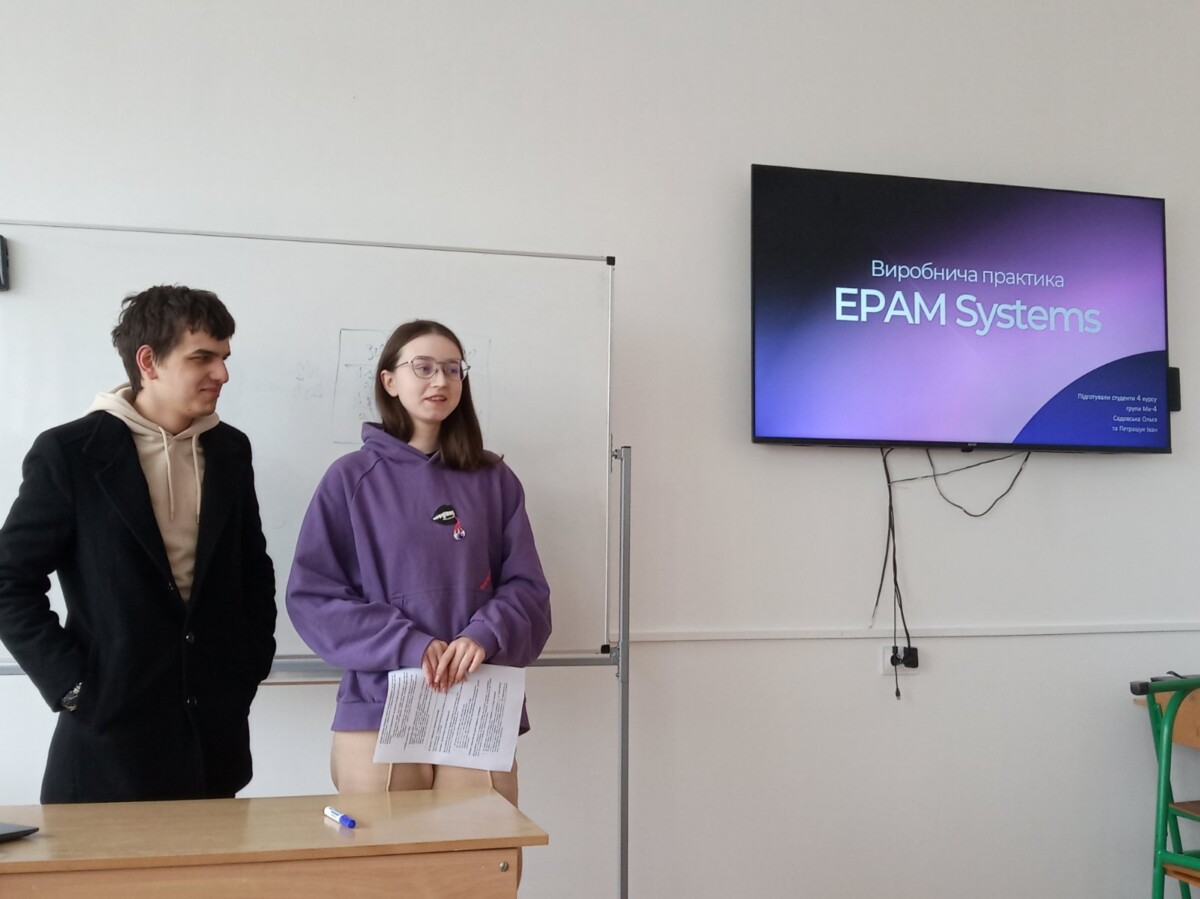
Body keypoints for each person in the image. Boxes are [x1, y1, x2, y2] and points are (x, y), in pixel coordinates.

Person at [0, 285, 277, 804]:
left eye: (224, 357)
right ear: (148, 361)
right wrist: (71, 686)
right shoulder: (71, 452)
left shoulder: (230, 450)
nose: (222, 373)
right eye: (202, 357)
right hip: (106, 751)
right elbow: (8, 581)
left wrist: (249, 664)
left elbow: (252, 570)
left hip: (212, 746)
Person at [286, 319, 551, 809]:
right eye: (423, 367)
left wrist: (484, 635)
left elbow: (529, 591)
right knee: (386, 855)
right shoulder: (350, 479)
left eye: (452, 369)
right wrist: (409, 643)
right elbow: (314, 598)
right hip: (380, 704)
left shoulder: (495, 479)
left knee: (481, 853)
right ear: (390, 381)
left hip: (476, 704)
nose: (440, 381)